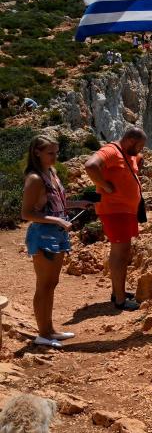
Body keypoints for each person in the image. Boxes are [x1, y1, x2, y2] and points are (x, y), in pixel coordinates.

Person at [21, 135, 95, 348]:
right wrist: (57, 221)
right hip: (43, 235)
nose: (55, 157)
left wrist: (78, 203)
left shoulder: (51, 173)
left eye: (56, 152)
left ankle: (50, 330)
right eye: (50, 153)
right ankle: (42, 334)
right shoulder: (35, 178)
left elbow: (57, 203)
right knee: (43, 285)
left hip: (57, 234)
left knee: (51, 284)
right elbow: (26, 213)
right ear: (37, 153)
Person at [83, 127, 147, 310]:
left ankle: (117, 291)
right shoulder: (111, 151)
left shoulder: (128, 153)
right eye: (140, 146)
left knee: (120, 252)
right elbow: (90, 165)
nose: (140, 150)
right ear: (130, 141)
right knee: (120, 254)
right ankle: (120, 300)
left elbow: (134, 162)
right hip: (115, 211)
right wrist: (105, 186)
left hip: (125, 211)